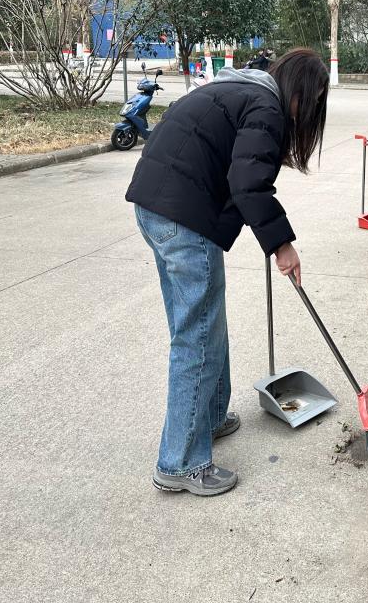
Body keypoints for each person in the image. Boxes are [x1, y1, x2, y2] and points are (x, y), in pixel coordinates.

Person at [126, 48, 330, 497]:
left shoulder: (237, 88)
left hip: (156, 208)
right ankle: (180, 462)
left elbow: (233, 170)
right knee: (195, 338)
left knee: (202, 327)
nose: (308, 113)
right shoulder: (266, 106)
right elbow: (248, 184)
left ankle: (211, 417)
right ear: (300, 90)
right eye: (313, 101)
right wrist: (281, 244)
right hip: (183, 218)